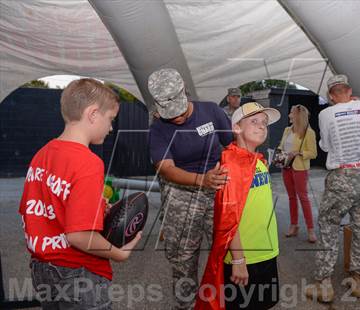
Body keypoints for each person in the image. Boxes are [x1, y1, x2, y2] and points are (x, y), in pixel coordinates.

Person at [19, 78, 141, 309]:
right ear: (93, 114)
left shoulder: (42, 154)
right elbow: (78, 236)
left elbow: (39, 210)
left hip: (42, 269)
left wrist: (93, 208)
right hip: (78, 273)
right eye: (110, 120)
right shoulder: (89, 163)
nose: (111, 127)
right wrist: (118, 254)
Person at [148, 68, 233, 310]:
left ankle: (225, 302)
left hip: (217, 188)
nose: (176, 118)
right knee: (183, 258)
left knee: (226, 249)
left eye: (180, 111)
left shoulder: (211, 111)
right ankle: (186, 305)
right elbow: (165, 168)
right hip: (180, 195)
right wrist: (200, 180)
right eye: (169, 114)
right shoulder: (158, 130)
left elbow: (231, 146)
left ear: (185, 92)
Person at [305, 74, 360, 303]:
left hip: (339, 178)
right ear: (349, 91)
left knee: (328, 227)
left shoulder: (325, 114)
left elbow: (325, 145)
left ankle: (324, 284)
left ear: (332, 95)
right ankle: (358, 281)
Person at [195, 102, 281, 310]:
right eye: (254, 121)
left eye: (264, 123)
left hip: (266, 251)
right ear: (236, 128)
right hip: (244, 256)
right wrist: (238, 260)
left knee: (264, 303)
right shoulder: (230, 163)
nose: (262, 126)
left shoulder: (258, 161)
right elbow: (228, 217)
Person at [277, 105, 317, 242]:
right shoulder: (287, 130)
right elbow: (281, 146)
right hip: (286, 167)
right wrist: (278, 152)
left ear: (298, 116)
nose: (289, 115)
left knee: (303, 198)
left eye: (291, 113)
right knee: (291, 198)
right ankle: (294, 226)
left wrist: (299, 153)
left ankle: (311, 229)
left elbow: (313, 153)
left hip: (300, 168)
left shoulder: (308, 132)